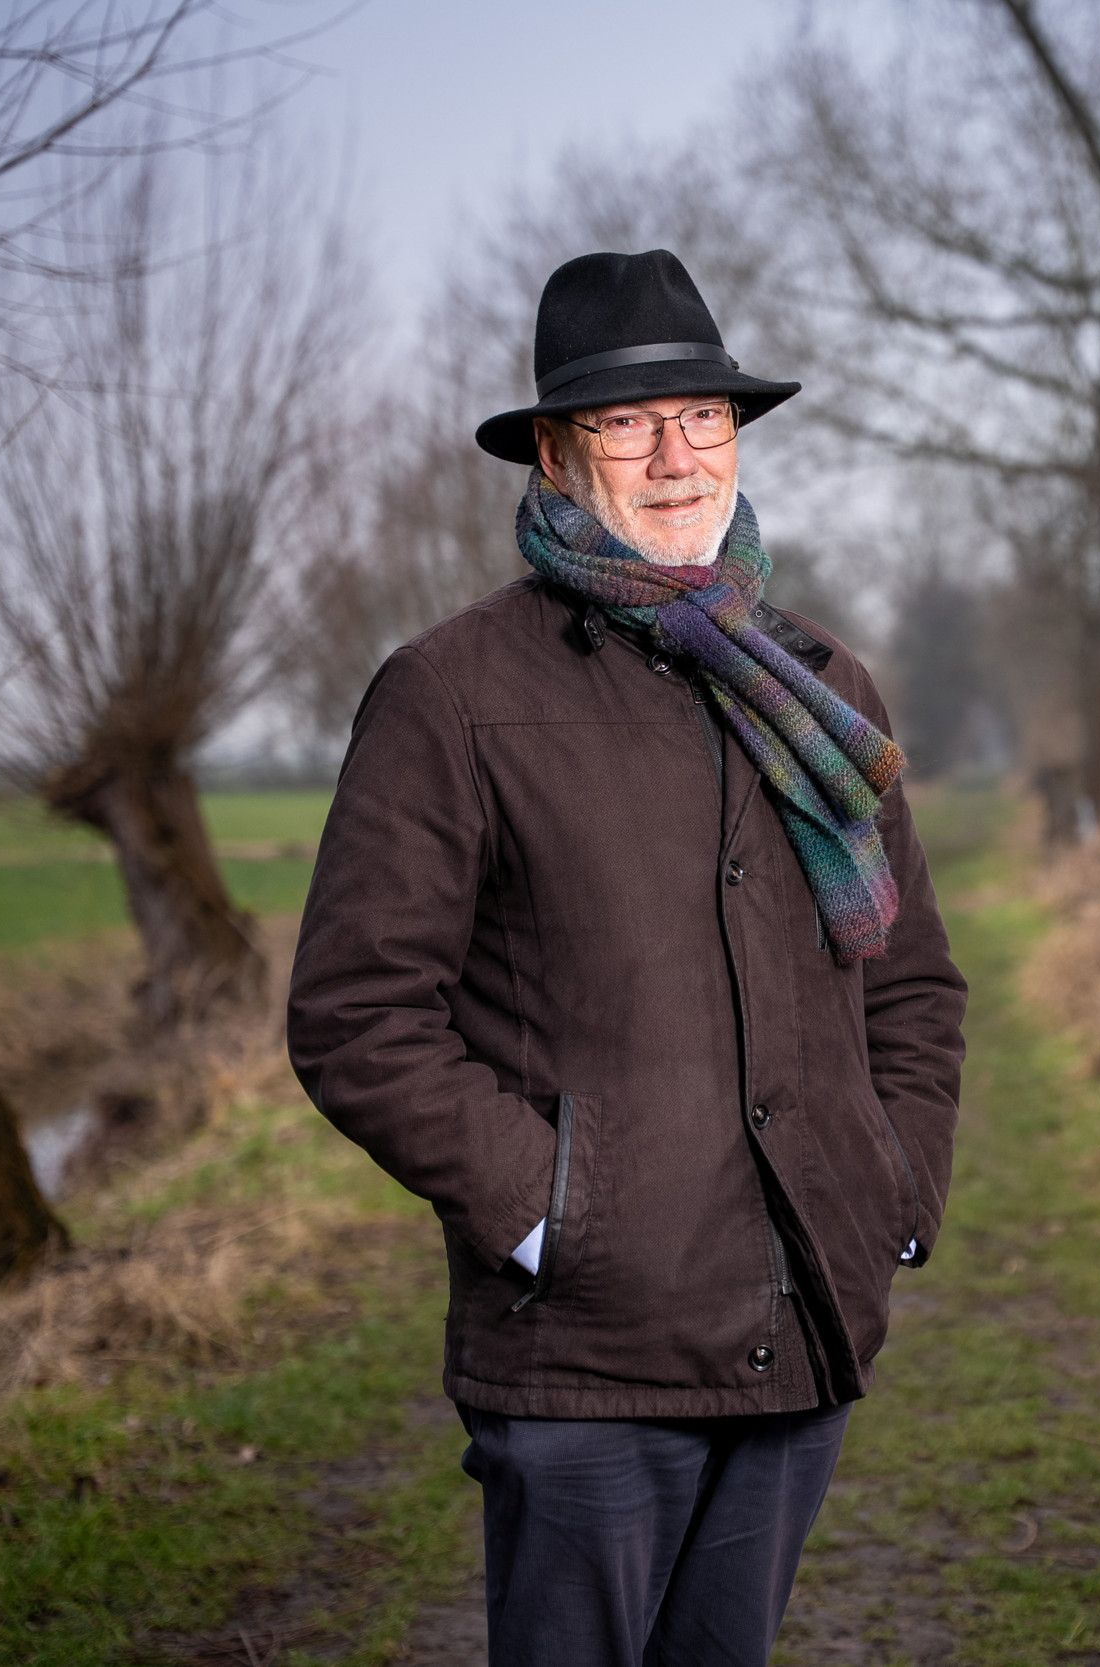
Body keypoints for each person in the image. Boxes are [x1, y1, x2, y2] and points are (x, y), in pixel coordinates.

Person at [285, 248, 967, 1666]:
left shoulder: (821, 684)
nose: (674, 455)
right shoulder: (451, 693)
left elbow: (909, 982)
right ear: (555, 451)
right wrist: (552, 1215)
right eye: (627, 423)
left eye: (703, 416)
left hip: (801, 1323)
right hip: (586, 1355)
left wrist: (892, 1184)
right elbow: (359, 1015)